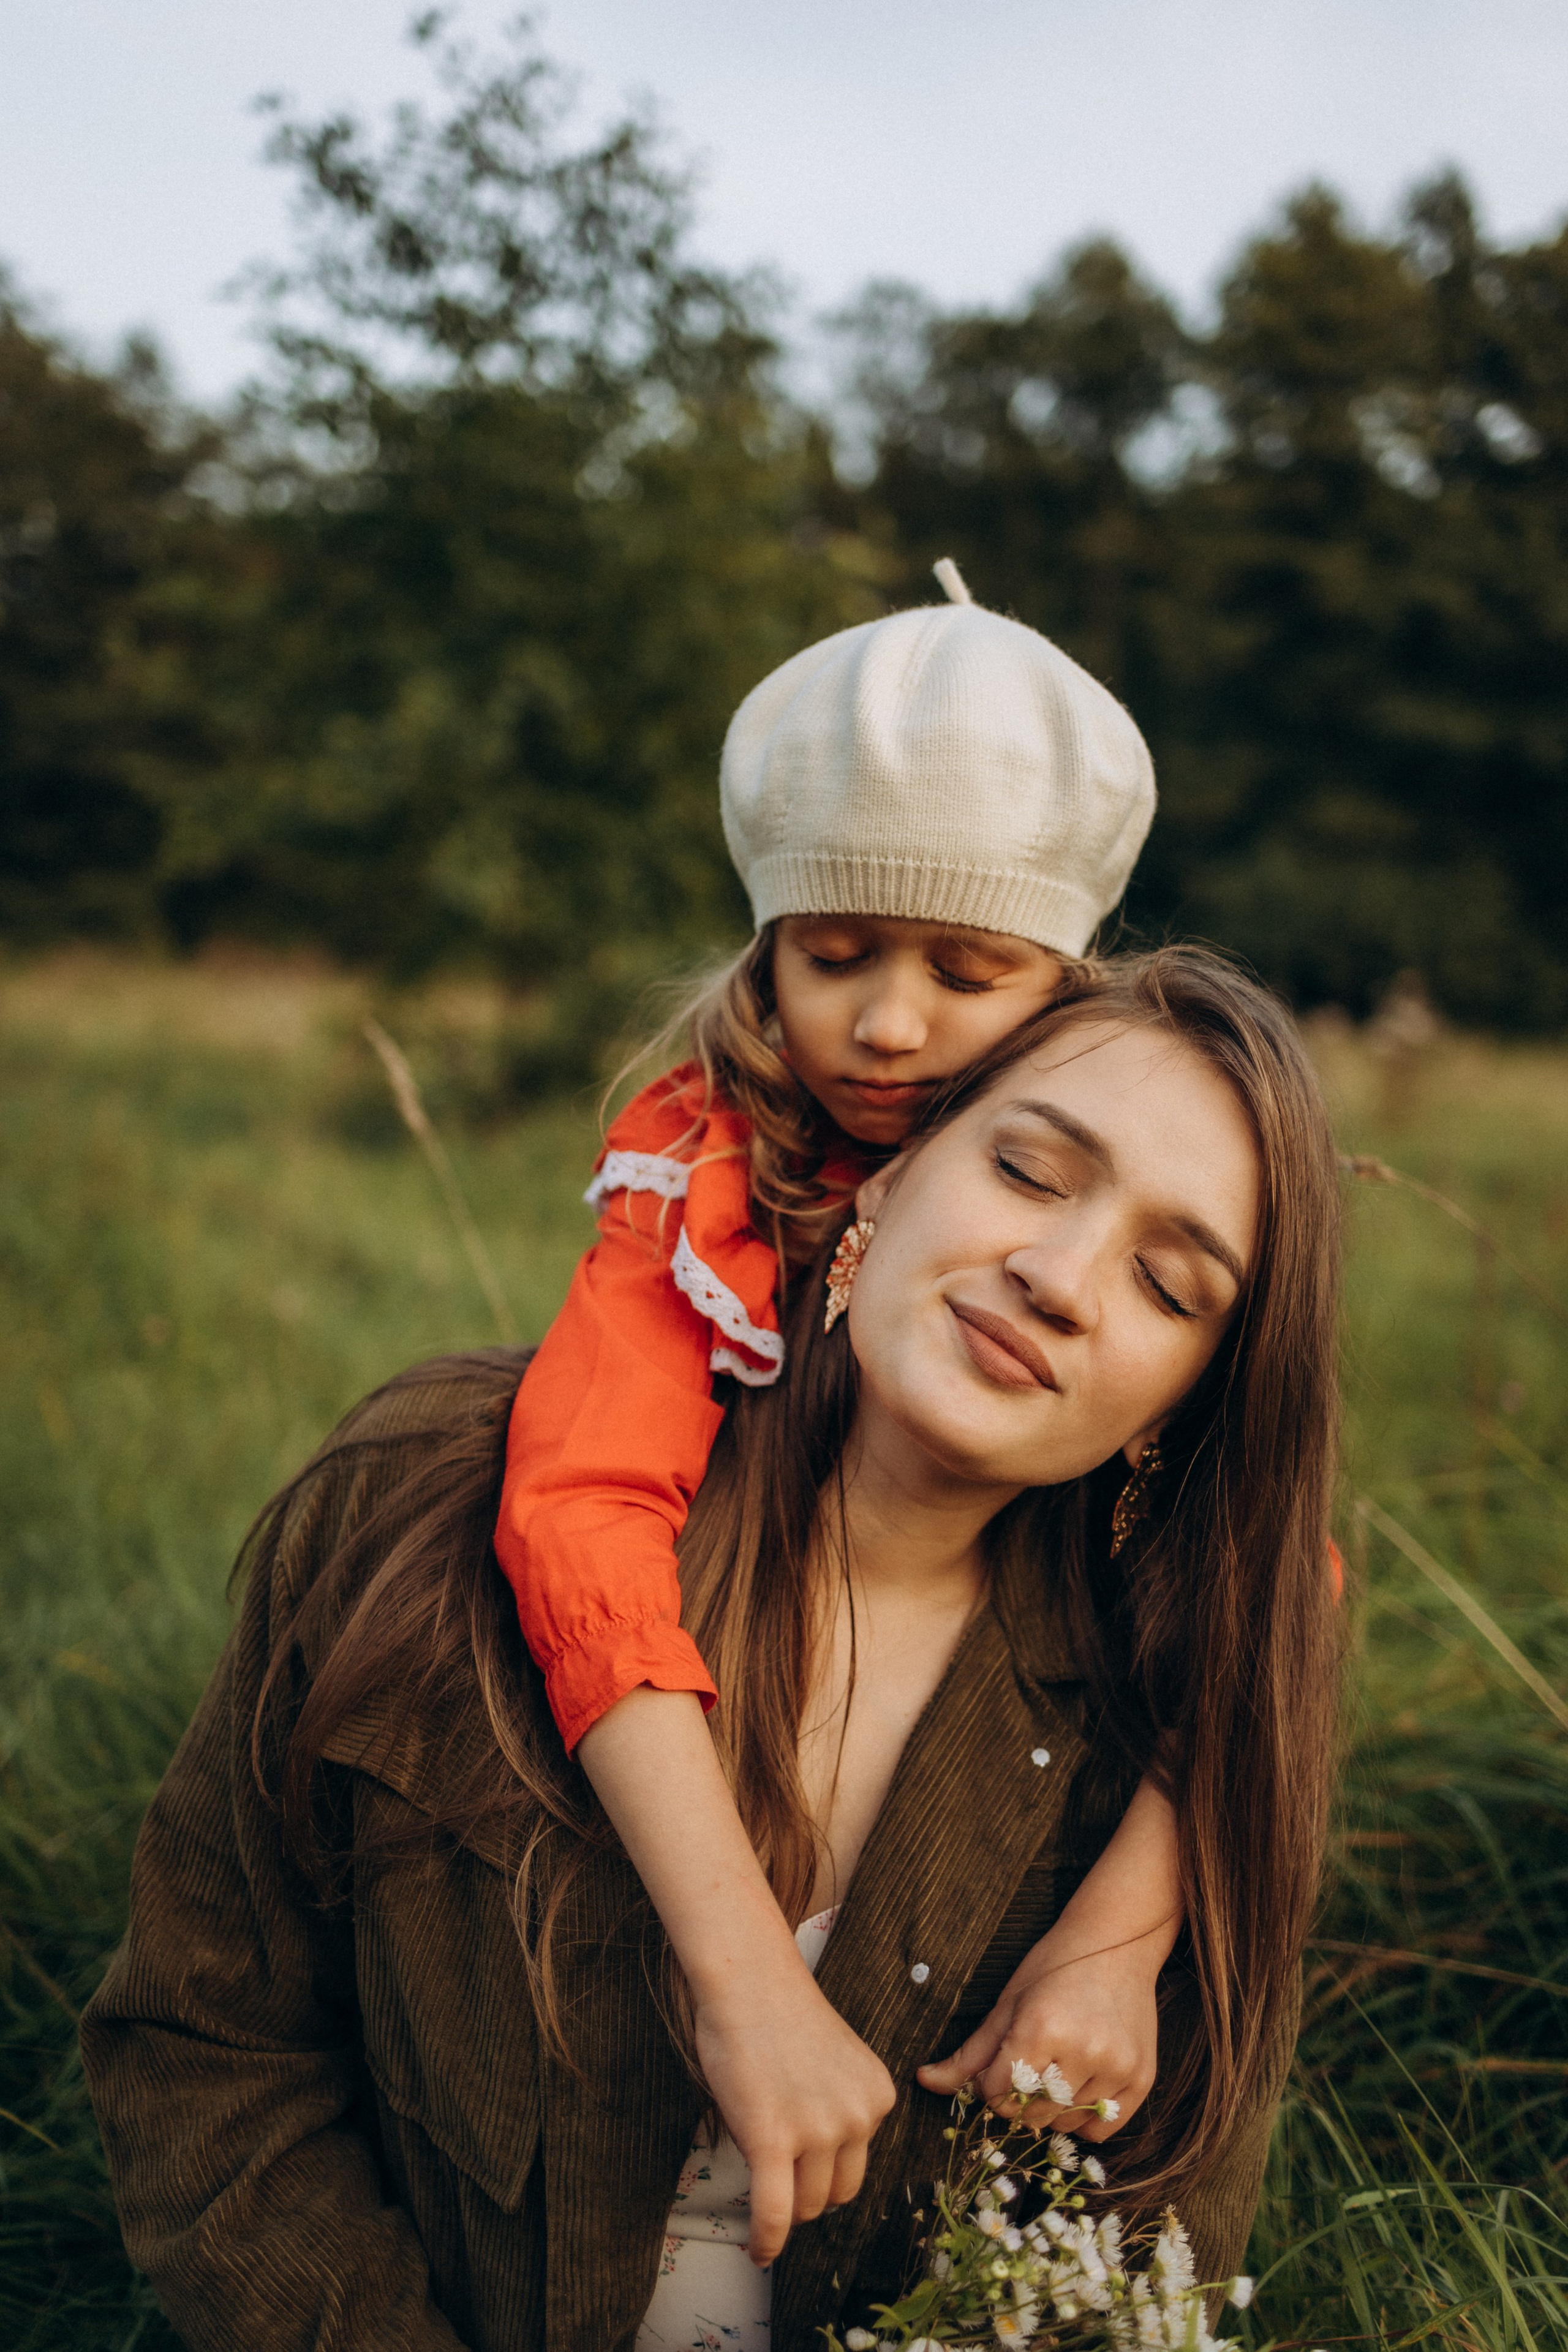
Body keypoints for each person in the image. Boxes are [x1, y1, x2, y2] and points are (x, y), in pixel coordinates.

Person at [82, 948, 1344, 2352]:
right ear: (885, 1173)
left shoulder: (1172, 1758)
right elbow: (208, 2049)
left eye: (1167, 1286)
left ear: (1185, 1402)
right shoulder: (420, 1503)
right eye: (1029, 1173)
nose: (1056, 1276)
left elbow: (1137, 2264)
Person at [493, 565, 1189, 2253]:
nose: (884, 1024)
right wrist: (737, 1969)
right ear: (767, 941)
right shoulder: (704, 1175)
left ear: (1071, 980)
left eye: (969, 970)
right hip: (710, 1789)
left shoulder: (1142, 1223)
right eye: (833, 951)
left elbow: (1274, 1594)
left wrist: (1124, 1936)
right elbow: (583, 1505)